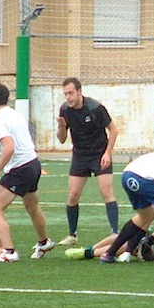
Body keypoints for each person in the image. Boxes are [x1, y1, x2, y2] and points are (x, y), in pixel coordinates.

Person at [0, 83, 55, 262]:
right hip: (33, 164)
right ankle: (44, 241)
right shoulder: (16, 114)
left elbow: (9, 148)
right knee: (32, 207)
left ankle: (8, 252)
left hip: (20, 168)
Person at [57, 77, 119, 246]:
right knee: (73, 195)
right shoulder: (64, 110)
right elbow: (62, 139)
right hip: (80, 156)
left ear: (79, 92)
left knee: (107, 193)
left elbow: (113, 130)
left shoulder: (95, 108)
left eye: (71, 93)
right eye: (65, 94)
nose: (68, 97)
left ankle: (115, 233)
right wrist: (62, 127)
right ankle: (72, 235)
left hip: (99, 154)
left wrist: (108, 153)